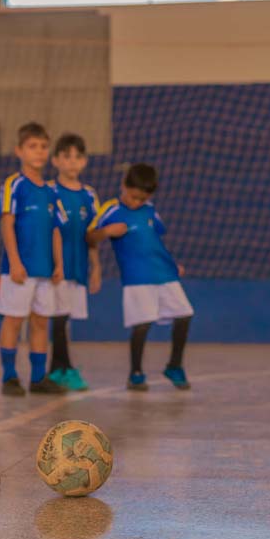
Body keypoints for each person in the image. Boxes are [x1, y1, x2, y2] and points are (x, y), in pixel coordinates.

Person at [87, 163, 193, 391]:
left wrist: (172, 263)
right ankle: (135, 373)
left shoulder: (150, 210)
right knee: (142, 323)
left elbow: (155, 240)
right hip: (137, 276)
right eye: (133, 197)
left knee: (184, 315)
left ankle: (174, 365)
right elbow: (89, 238)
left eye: (142, 199)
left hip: (164, 272)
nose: (137, 203)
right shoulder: (111, 209)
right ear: (123, 185)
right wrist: (106, 232)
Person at [0, 122, 68, 397]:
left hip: (45, 271)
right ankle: (9, 376)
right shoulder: (14, 184)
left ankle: (39, 377)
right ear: (19, 150)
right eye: (32, 146)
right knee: (14, 320)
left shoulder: (51, 191)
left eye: (43, 147)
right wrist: (15, 261)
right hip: (19, 270)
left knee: (41, 322)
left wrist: (59, 263)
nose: (39, 152)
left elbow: (56, 231)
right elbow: (7, 223)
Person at [48, 133, 101, 391]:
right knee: (58, 317)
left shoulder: (90, 196)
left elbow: (92, 236)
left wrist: (96, 267)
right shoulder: (49, 191)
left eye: (77, 156)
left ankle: (56, 370)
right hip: (56, 266)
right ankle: (65, 368)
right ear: (56, 160)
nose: (72, 162)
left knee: (65, 318)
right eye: (66, 156)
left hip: (79, 266)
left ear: (85, 162)